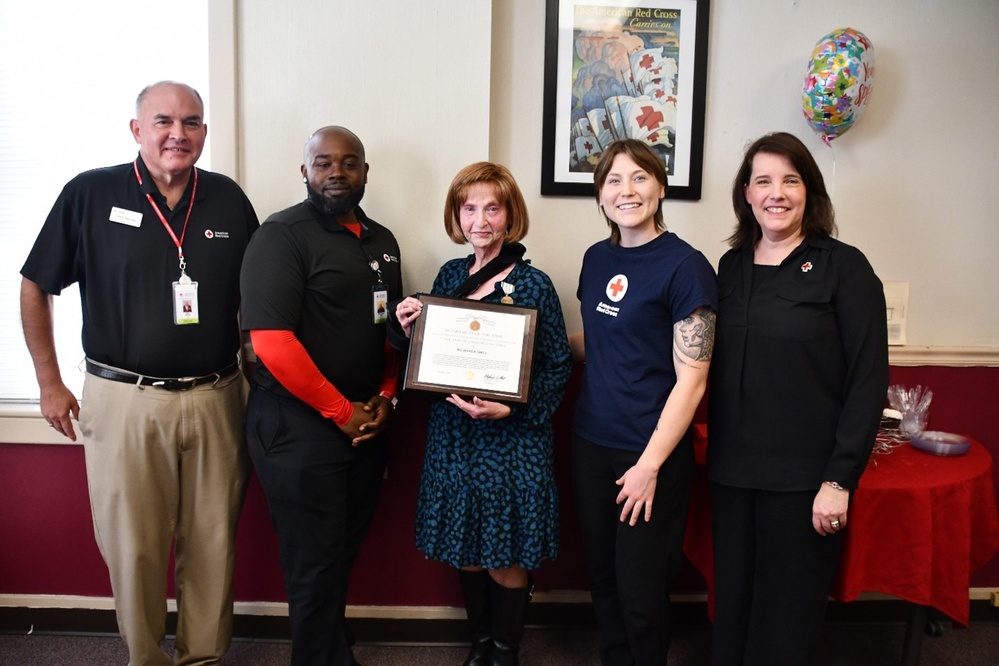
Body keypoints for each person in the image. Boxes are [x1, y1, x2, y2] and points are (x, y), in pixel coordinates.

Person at [19, 81, 259, 665]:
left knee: (213, 540)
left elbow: (256, 305)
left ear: (205, 132)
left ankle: (201, 657)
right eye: (163, 121)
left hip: (217, 396)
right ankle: (145, 658)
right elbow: (35, 285)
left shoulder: (228, 200)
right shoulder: (90, 193)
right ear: (136, 130)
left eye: (192, 122)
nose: (178, 133)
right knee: (134, 547)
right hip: (124, 398)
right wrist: (50, 382)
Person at [707, 131, 889, 665]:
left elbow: (867, 381)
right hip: (732, 474)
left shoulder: (845, 268)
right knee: (732, 608)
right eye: (763, 180)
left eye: (790, 179)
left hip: (806, 480)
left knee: (787, 620)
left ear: (809, 190)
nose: (776, 192)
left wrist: (839, 481)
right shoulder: (731, 268)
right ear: (746, 193)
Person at [393, 162, 572, 666]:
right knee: (468, 550)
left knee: (504, 553)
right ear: (457, 214)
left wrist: (514, 407)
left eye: (492, 207)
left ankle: (505, 651)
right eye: (469, 207)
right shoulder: (449, 275)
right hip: (455, 438)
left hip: (512, 442)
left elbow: (558, 366)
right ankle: (479, 645)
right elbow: (432, 363)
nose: (480, 219)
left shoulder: (535, 284)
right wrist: (410, 334)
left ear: (510, 213)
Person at [240, 126, 402, 666]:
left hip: (364, 423)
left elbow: (392, 331)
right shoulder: (280, 236)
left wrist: (385, 394)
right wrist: (339, 412)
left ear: (365, 173)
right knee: (312, 565)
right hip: (299, 426)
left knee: (339, 555)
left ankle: (331, 648)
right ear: (304, 170)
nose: (337, 172)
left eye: (350, 162)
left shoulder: (382, 241)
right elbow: (271, 343)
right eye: (324, 162)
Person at [570, 139, 717, 666]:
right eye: (613, 180)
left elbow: (692, 380)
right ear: (601, 195)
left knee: (641, 593)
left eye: (638, 178)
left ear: (659, 187)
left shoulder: (686, 267)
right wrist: (522, 344)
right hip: (590, 444)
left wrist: (648, 465)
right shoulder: (596, 257)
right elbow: (596, 340)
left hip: (649, 454)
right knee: (604, 582)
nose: (625, 190)